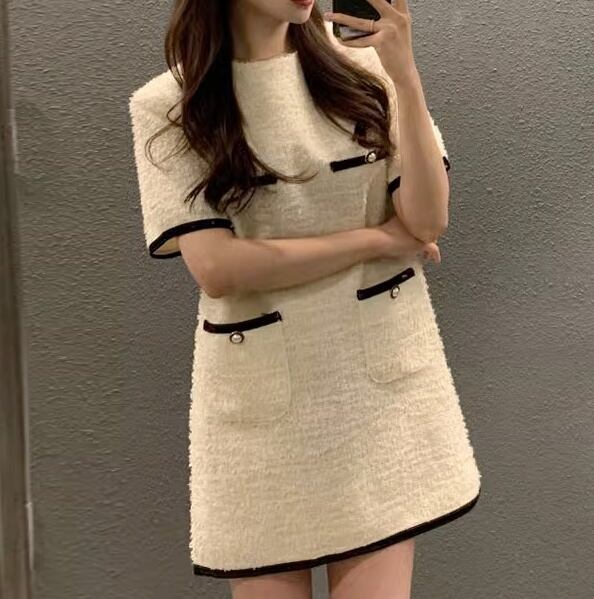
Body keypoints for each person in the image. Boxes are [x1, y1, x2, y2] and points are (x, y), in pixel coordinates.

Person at [128, 1, 482, 597]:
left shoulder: (364, 71)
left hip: (380, 398)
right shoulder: (169, 104)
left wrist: (406, 77)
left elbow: (426, 218)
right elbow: (218, 268)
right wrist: (377, 240)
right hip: (261, 411)